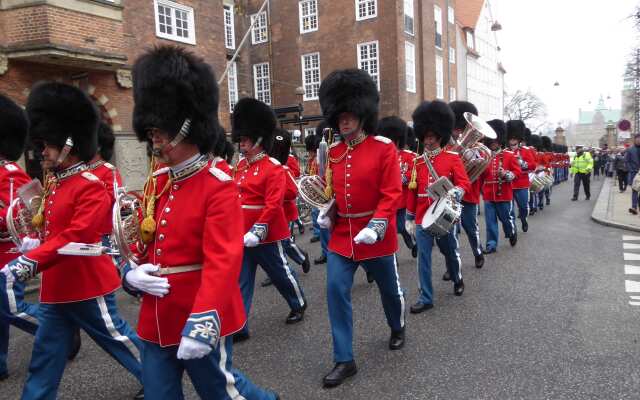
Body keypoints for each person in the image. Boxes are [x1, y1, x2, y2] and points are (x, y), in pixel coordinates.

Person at [122, 46, 278, 399]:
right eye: (152, 130)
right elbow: (145, 242)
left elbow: (223, 261)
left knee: (220, 392)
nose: (154, 137)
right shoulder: (159, 182)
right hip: (156, 315)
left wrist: (204, 319)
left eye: (160, 130)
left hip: (197, 312)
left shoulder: (217, 185)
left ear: (185, 127)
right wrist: (130, 272)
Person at [0, 81, 144, 399]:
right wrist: (32, 241)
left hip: (85, 282)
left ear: (67, 142)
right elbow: (50, 227)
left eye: (46, 145)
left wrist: (28, 261)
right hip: (56, 286)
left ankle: (157, 378)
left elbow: (76, 234)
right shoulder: (55, 182)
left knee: (117, 339)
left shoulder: (90, 183)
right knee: (45, 358)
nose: (41, 152)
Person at [317, 69, 405, 388]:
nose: (344, 121)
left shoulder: (383, 149)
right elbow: (335, 191)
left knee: (389, 291)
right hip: (342, 237)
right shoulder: (335, 153)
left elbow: (391, 193)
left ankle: (397, 325)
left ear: (362, 114)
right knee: (335, 290)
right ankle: (344, 359)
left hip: (375, 234)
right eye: (339, 116)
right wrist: (328, 212)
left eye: (349, 115)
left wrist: (378, 225)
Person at [232, 97, 307, 343]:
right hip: (242, 234)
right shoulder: (240, 167)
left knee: (280, 274)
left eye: (245, 141)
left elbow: (274, 204)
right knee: (241, 280)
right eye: (240, 141)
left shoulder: (273, 167)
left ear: (258, 140)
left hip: (265, 235)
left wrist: (259, 229)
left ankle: (298, 303)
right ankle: (240, 324)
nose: (241, 146)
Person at [406, 100, 471, 314]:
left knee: (449, 251)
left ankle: (457, 276)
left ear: (440, 136)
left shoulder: (452, 158)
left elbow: (464, 183)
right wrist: (409, 217)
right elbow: (413, 191)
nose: (428, 141)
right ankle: (426, 297)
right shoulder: (417, 162)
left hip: (443, 212)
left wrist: (457, 192)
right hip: (422, 215)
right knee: (423, 257)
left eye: (432, 137)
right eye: (425, 137)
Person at [0, 93, 41, 381]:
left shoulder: (11, 174)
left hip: (9, 256)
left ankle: (55, 331)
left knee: (11, 308)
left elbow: (20, 219)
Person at [264, 129, 311, 283]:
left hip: (285, 213)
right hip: (270, 213)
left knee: (284, 243)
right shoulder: (266, 168)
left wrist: (275, 195)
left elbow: (292, 191)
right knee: (278, 243)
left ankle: (299, 259)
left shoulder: (283, 169)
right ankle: (282, 268)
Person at [447, 101, 484, 270]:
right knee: (450, 232)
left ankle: (477, 252)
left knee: (470, 226)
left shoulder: (476, 145)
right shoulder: (445, 145)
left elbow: (484, 168)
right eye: (456, 128)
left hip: (468, 193)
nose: (458, 131)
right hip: (450, 193)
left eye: (461, 128)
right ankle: (452, 267)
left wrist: (474, 159)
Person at [377, 116, 417, 258]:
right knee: (389, 231)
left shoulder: (409, 156)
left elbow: (413, 176)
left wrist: (398, 179)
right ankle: (392, 258)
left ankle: (412, 242)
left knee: (402, 227)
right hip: (386, 201)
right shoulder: (380, 157)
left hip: (403, 201)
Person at [479, 120, 520, 253]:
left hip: (504, 193)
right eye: (491, 141)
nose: (493, 143)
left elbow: (517, 172)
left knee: (506, 220)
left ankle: (511, 232)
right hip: (488, 194)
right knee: (490, 222)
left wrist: (507, 174)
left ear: (500, 140)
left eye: (496, 140)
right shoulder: (484, 156)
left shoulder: (509, 155)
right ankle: (491, 244)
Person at [506, 120, 536, 232]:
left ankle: (524, 219)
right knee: (510, 210)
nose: (512, 140)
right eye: (510, 138)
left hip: (522, 184)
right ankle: (513, 230)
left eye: (514, 138)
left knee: (523, 207)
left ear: (518, 139)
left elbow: (533, 166)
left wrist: (523, 163)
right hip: (509, 184)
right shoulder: (505, 151)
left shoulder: (525, 151)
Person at [625, 134, 640, 214]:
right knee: (635, 190)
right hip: (634, 173)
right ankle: (634, 207)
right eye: (638, 139)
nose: (639, 140)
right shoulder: (630, 149)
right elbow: (626, 161)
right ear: (635, 140)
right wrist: (631, 170)